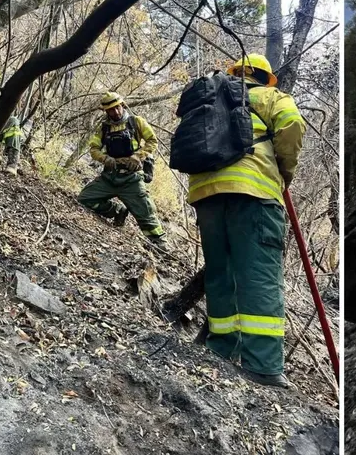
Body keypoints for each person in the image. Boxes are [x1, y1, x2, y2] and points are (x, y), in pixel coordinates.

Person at [186, 54, 306, 389]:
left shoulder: (209, 95)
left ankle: (221, 349)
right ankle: (263, 365)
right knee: (259, 275)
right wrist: (285, 171)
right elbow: (292, 126)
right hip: (254, 194)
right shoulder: (270, 97)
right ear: (265, 77)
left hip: (206, 193)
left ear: (235, 74)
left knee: (220, 271)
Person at [78, 92, 166, 247]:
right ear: (106, 111)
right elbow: (94, 149)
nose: (115, 112)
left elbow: (152, 141)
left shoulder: (136, 122)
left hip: (131, 179)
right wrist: (105, 159)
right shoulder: (104, 128)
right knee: (85, 199)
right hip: (109, 177)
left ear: (123, 105)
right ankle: (117, 211)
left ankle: (160, 245)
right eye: (111, 110)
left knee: (146, 215)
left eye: (117, 107)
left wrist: (139, 156)